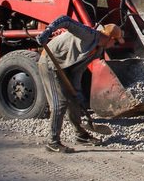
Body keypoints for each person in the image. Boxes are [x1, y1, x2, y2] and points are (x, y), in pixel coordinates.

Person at [36, 16, 122, 153]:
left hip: (65, 67)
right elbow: (66, 20)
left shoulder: (98, 50)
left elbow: (78, 70)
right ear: (111, 38)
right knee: (60, 103)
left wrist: (77, 92)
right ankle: (53, 142)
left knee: (74, 100)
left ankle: (80, 135)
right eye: (116, 43)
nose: (115, 46)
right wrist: (48, 31)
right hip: (50, 63)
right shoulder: (88, 34)